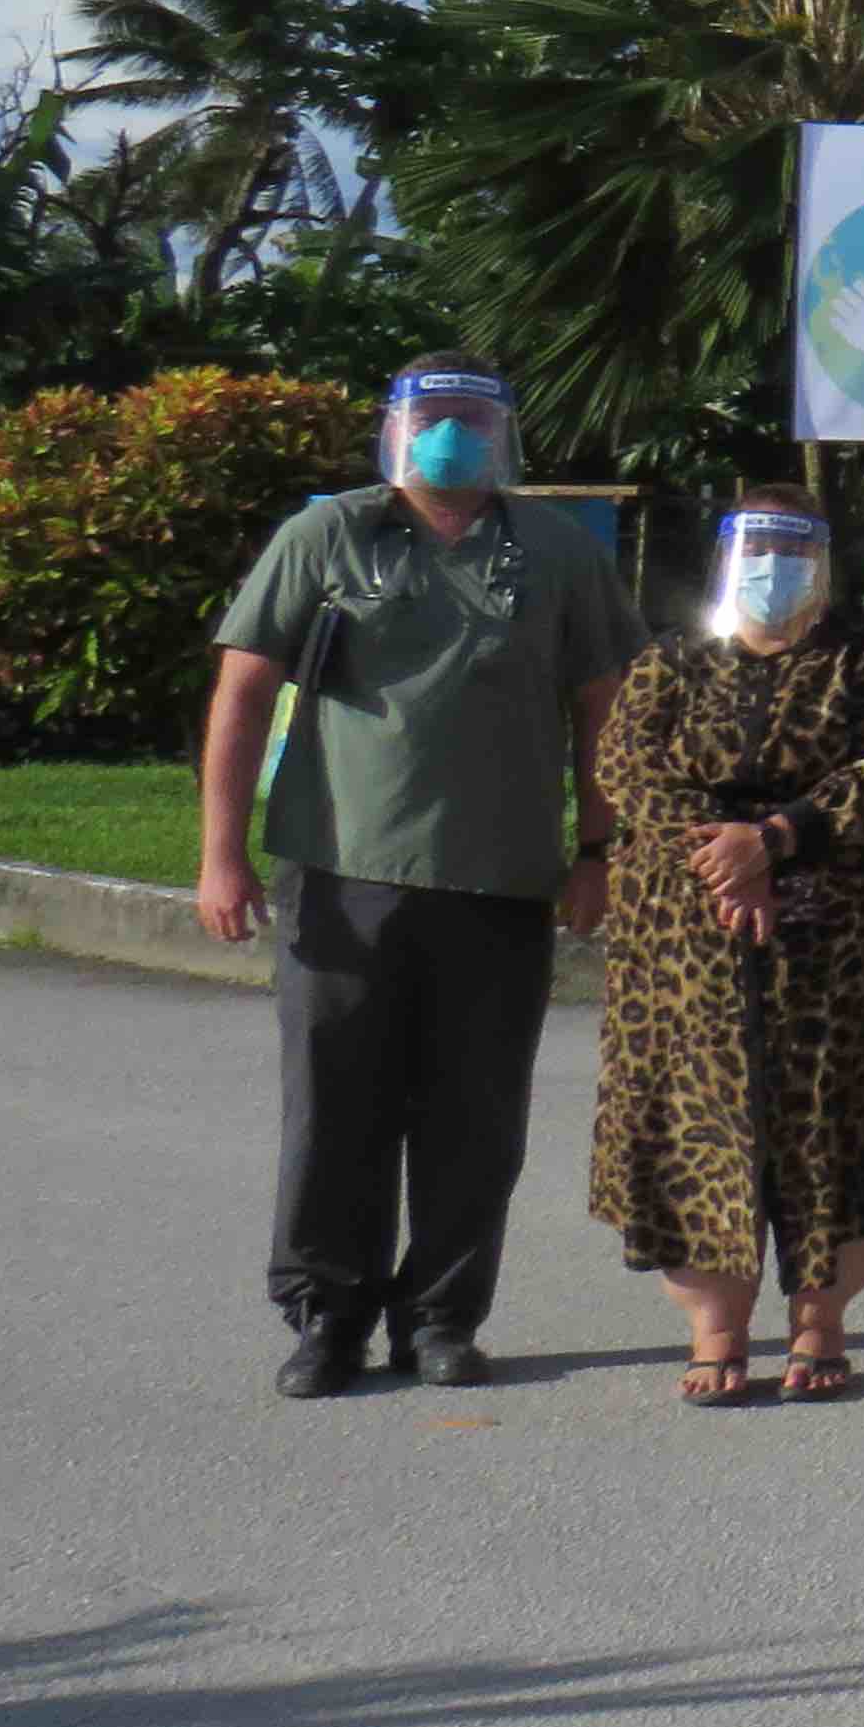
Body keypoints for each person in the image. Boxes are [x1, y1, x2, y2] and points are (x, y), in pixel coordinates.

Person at [196, 357, 644, 1394]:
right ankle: (326, 1318)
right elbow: (242, 692)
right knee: (335, 1108)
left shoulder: (557, 552)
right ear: (398, 431)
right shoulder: (331, 534)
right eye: (433, 418)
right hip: (344, 871)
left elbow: (604, 709)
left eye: (473, 420)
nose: (453, 437)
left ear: (505, 436)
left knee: (475, 1119)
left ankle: (442, 1319)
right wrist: (223, 852)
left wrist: (598, 852)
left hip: (501, 880)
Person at [586, 502, 864, 1403]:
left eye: (796, 551)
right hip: (685, 941)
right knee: (694, 1118)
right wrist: (726, 858)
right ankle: (716, 1327)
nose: (776, 567)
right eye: (761, 550)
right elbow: (627, 767)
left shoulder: (863, 660)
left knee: (833, 1119)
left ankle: (820, 1322)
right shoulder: (671, 660)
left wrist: (777, 838)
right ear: (726, 562)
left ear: (822, 566)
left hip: (843, 941)